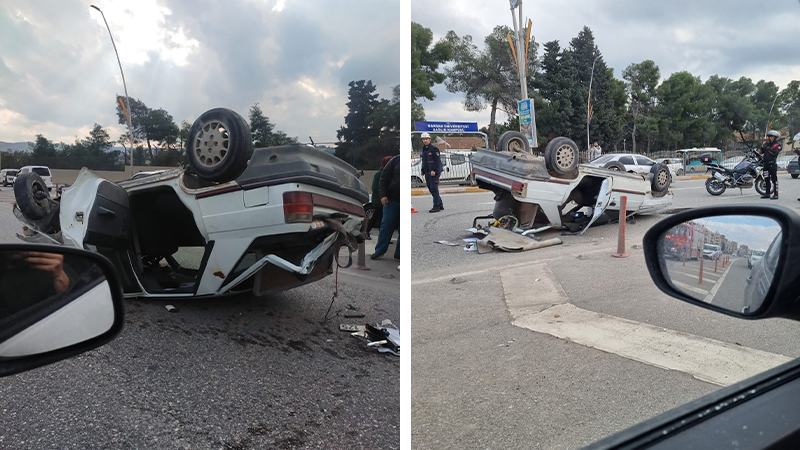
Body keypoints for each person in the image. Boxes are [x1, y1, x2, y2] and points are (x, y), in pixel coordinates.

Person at [371, 154, 400, 261]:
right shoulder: (395, 161)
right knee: (386, 224)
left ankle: (399, 253)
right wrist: (383, 195)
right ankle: (380, 250)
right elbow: (383, 178)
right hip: (391, 199)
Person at [365, 156, 393, 239]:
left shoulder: (389, 173)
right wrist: (382, 195)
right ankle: (367, 231)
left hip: (385, 199)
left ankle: (382, 237)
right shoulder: (379, 174)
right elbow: (375, 187)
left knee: (381, 218)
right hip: (379, 199)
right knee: (377, 217)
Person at [419, 132, 444, 213]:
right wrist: (423, 170)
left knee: (434, 188)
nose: (425, 141)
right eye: (424, 139)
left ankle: (436, 206)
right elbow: (424, 161)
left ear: (429, 140)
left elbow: (437, 161)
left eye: (427, 139)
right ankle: (440, 204)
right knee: (431, 188)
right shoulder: (424, 149)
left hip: (434, 172)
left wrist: (434, 170)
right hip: (427, 171)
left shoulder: (434, 149)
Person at [760, 130, 781, 200]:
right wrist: (763, 146)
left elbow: (775, 153)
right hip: (765, 164)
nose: (770, 138)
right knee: (766, 179)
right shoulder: (767, 144)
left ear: (775, 138)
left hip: (772, 164)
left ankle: (776, 194)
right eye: (770, 137)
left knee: (774, 179)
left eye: (772, 137)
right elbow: (761, 152)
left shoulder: (778, 145)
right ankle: (767, 193)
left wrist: (768, 148)